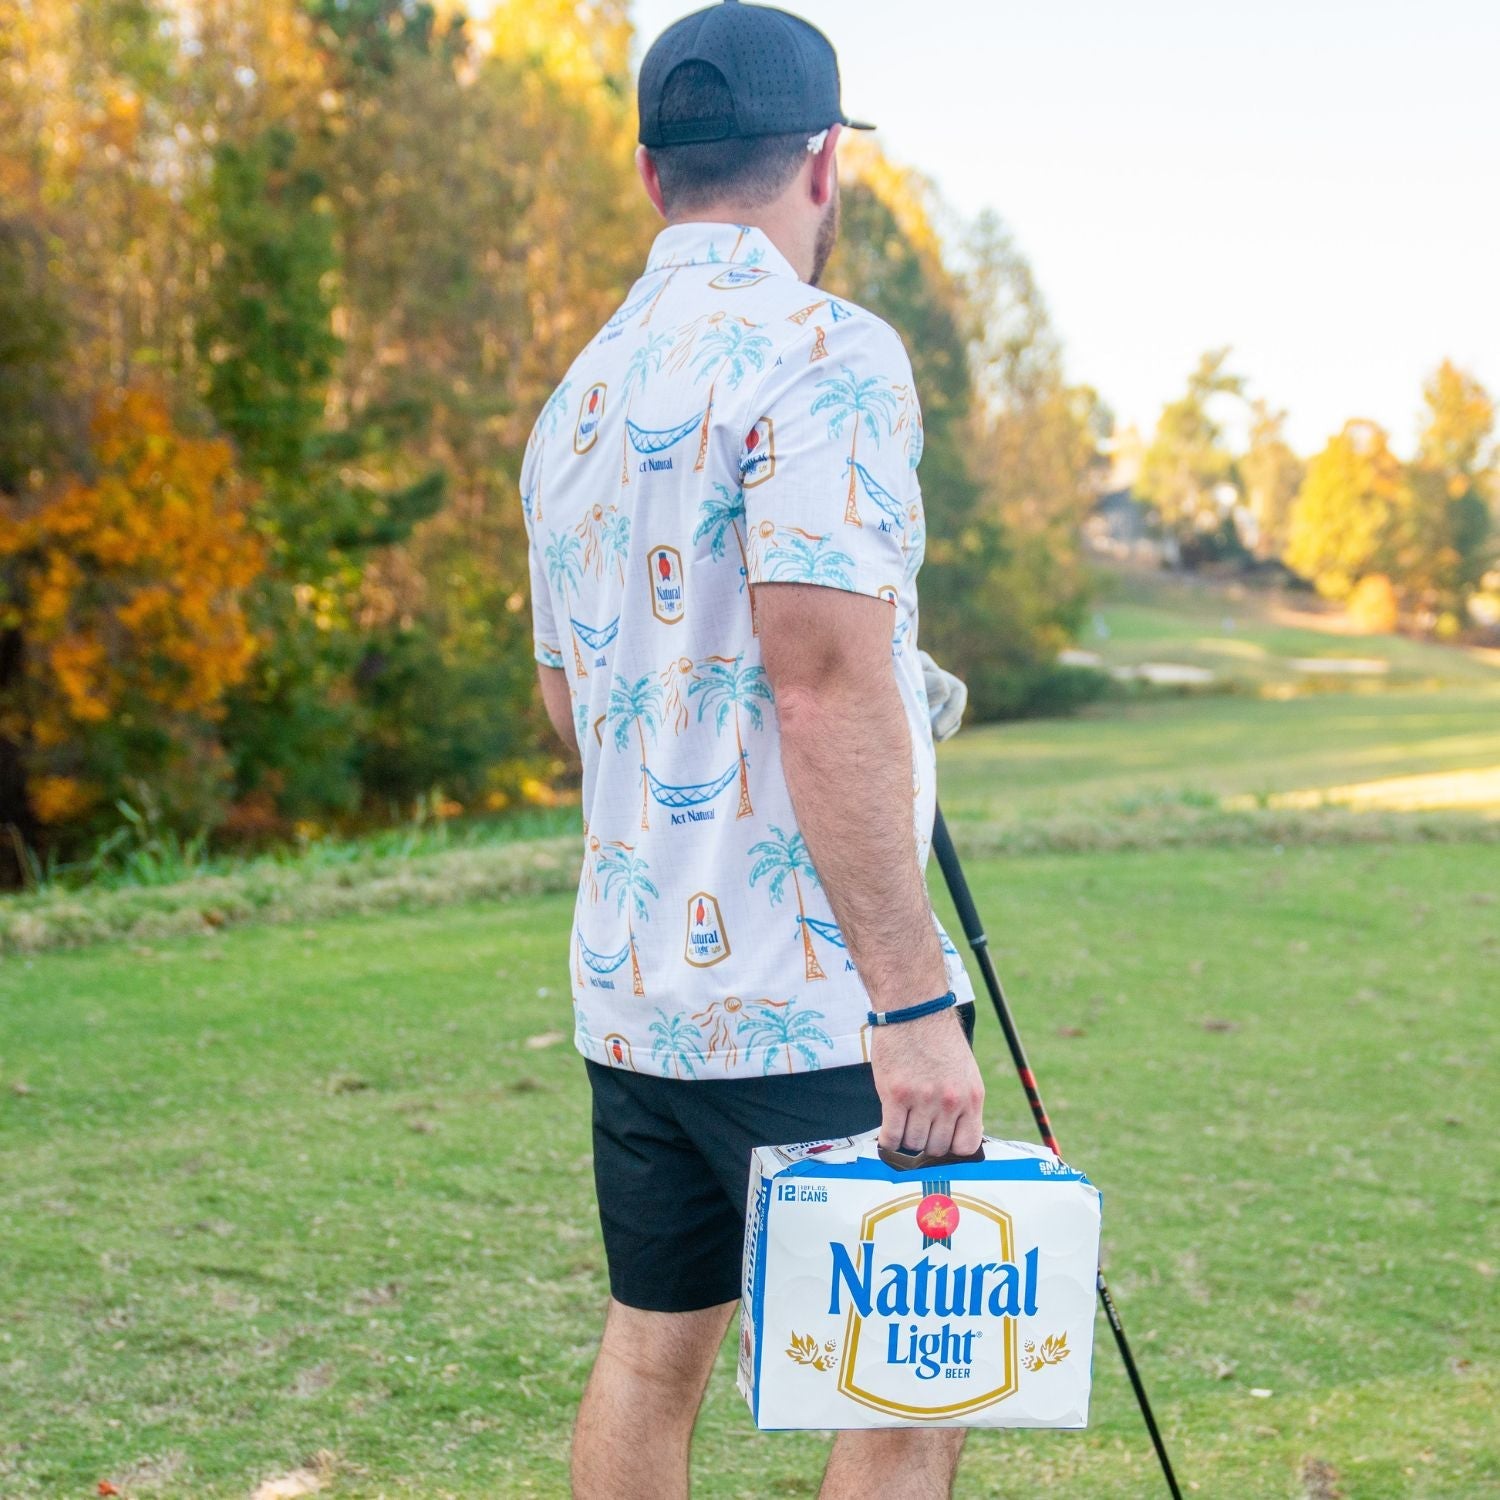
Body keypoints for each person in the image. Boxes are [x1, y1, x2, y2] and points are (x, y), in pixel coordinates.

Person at [520, 4, 982, 1495]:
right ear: (826, 164)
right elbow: (824, 680)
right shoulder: (826, 352)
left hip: (634, 988)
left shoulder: (574, 400)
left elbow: (571, 705)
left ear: (654, 176)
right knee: (913, 1389)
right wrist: (913, 1001)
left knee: (657, 1351)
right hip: (805, 1002)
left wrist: (879, 688)